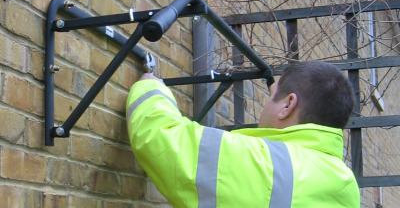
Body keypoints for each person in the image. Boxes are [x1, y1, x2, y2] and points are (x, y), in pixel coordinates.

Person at [126, 61, 360, 207]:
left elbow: (161, 138)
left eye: (271, 97)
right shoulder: (345, 185)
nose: (265, 106)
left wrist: (150, 87)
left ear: (288, 105)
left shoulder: (267, 165)